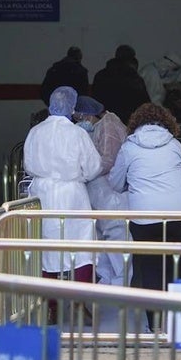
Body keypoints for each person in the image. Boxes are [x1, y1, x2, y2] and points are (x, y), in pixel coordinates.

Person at [108, 102, 181, 331]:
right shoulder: (175, 144)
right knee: (175, 267)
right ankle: (176, 323)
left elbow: (115, 183)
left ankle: (155, 326)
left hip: (146, 218)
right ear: (167, 122)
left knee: (150, 269)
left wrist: (133, 184)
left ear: (136, 123)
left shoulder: (129, 147)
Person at [23, 86, 102, 324]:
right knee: (81, 246)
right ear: (73, 107)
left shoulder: (35, 132)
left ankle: (51, 306)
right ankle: (80, 302)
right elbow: (93, 167)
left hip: (43, 194)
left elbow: (28, 164)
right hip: (73, 194)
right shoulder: (77, 134)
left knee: (48, 247)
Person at [73, 96, 132, 286]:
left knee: (116, 235)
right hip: (99, 191)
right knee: (102, 236)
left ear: (88, 115)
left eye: (80, 117)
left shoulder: (109, 125)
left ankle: (122, 280)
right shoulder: (99, 126)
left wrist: (85, 171)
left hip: (110, 192)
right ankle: (108, 277)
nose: (79, 122)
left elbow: (109, 159)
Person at [92, 44, 150, 125]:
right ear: (131, 59)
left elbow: (95, 100)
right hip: (127, 122)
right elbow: (144, 104)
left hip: (105, 121)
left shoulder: (100, 75)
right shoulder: (134, 79)